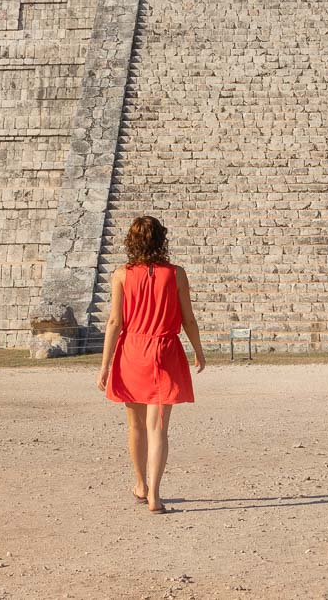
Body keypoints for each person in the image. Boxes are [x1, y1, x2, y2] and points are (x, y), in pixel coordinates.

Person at [96, 215, 205, 513]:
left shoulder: (121, 274)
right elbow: (188, 319)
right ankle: (155, 496)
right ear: (161, 239)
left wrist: (105, 364)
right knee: (158, 428)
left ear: (131, 242)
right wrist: (198, 350)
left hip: (132, 350)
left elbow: (115, 321)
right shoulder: (176, 274)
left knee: (135, 425)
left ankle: (140, 483)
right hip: (166, 350)